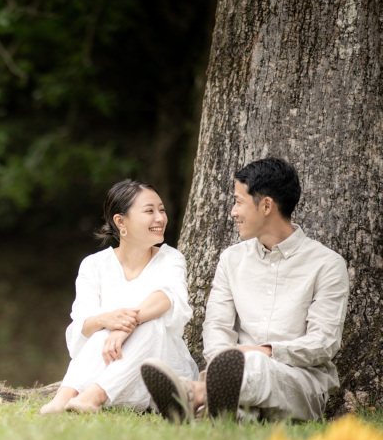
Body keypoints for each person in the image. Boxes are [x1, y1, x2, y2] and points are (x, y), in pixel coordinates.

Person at [141, 157, 350, 422]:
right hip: (237, 378)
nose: (233, 212)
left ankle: (192, 392)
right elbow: (216, 326)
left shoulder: (327, 264)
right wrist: (223, 358)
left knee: (255, 364)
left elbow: (324, 343)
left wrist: (261, 352)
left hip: (301, 382)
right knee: (238, 414)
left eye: (238, 202)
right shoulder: (232, 259)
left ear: (266, 206)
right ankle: (215, 409)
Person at [40, 180, 199, 414]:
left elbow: (167, 297)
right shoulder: (94, 265)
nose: (160, 218)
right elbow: (83, 325)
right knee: (100, 327)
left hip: (156, 375)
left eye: (162, 210)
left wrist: (125, 326)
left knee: (152, 323)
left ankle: (93, 397)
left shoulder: (171, 259)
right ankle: (64, 396)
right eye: (149, 211)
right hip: (107, 367)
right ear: (120, 221)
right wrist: (107, 320)